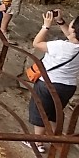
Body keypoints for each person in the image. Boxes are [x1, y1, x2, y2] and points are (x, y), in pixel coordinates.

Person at [27, 10, 79, 153]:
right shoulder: (74, 45)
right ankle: (57, 137)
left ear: (74, 30)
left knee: (40, 110)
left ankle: (37, 143)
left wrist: (46, 26)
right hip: (68, 87)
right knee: (55, 110)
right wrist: (60, 21)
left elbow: (37, 43)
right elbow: (72, 37)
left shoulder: (60, 46)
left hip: (48, 83)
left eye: (72, 23)